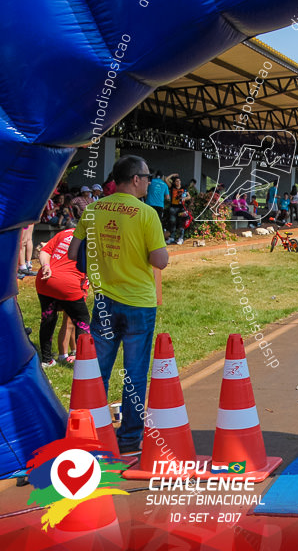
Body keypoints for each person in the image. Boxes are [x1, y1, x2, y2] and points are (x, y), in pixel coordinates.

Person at [68, 155, 169, 455]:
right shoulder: (146, 214)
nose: (149, 182)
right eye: (147, 177)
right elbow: (160, 260)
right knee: (134, 373)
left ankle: (88, 434)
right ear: (136, 179)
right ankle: (128, 440)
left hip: (103, 302)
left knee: (98, 370)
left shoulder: (93, 210)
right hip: (138, 303)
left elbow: (75, 253)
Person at [35, 228, 90, 368]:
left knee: (48, 318)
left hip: (45, 280)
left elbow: (44, 250)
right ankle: (82, 362)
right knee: (82, 321)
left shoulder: (66, 232)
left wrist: (46, 266)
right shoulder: (97, 238)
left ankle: (47, 360)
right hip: (68, 284)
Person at [167, 176, 189, 244]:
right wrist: (173, 175)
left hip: (181, 207)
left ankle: (181, 238)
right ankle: (172, 237)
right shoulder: (172, 188)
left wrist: (185, 198)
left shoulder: (184, 188)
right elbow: (166, 179)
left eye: (179, 181)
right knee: (172, 222)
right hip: (173, 207)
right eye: (176, 181)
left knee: (181, 223)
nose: (178, 182)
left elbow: (189, 196)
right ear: (174, 182)